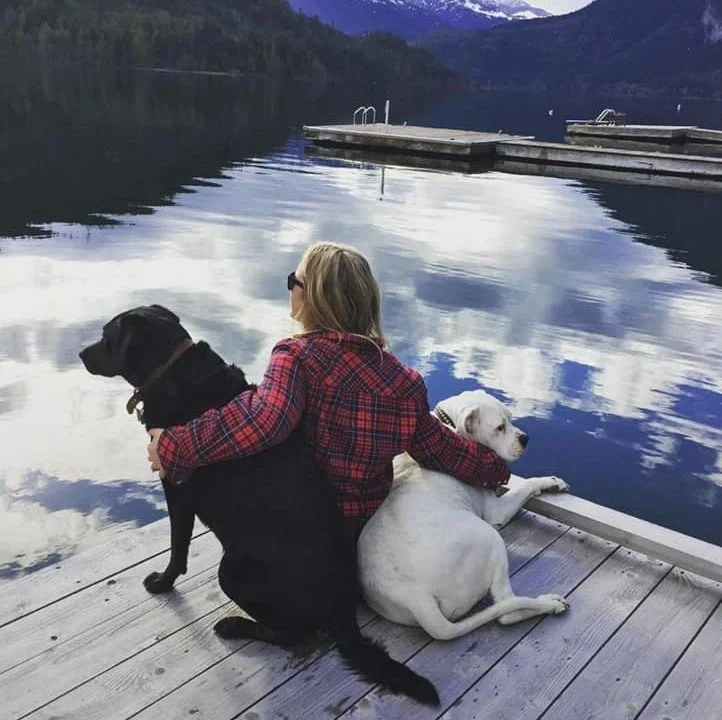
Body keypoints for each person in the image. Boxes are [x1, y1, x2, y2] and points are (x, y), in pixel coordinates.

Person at [147, 242, 510, 539]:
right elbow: (440, 449)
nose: (290, 288)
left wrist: (174, 446)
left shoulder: (296, 358)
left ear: (312, 297)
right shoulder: (405, 382)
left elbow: (263, 420)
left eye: (293, 281)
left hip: (306, 530)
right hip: (370, 534)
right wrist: (496, 469)